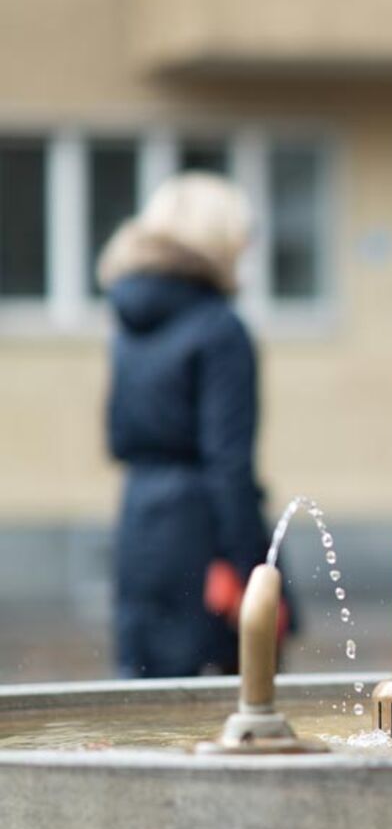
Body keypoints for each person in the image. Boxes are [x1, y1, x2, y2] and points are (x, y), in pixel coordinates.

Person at [98, 173, 271, 678]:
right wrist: (247, 565)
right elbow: (229, 461)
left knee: (145, 698)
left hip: (139, 524)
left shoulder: (128, 324)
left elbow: (117, 436)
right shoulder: (220, 329)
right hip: (204, 537)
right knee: (230, 702)